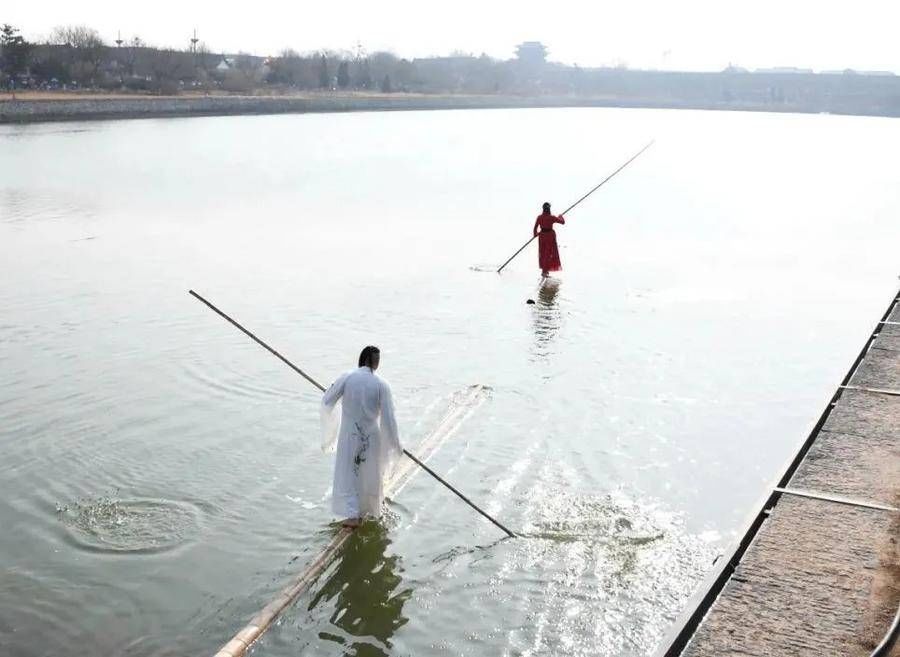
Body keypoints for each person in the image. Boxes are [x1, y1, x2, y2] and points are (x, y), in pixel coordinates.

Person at [320, 346, 403, 528]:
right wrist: (395, 444)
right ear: (368, 360)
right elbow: (389, 418)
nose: (377, 363)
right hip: (371, 436)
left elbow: (327, 400)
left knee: (350, 473)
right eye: (376, 359)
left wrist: (340, 398)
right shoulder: (382, 384)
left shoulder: (347, 377)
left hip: (349, 434)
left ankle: (353, 514)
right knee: (368, 472)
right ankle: (367, 510)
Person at [533, 201, 565, 277]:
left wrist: (536, 234)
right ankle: (545, 271)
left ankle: (545, 270)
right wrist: (560, 216)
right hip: (550, 236)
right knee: (548, 254)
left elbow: (535, 228)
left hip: (542, 236)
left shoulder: (539, 217)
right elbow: (562, 222)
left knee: (543, 253)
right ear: (549, 209)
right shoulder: (552, 217)